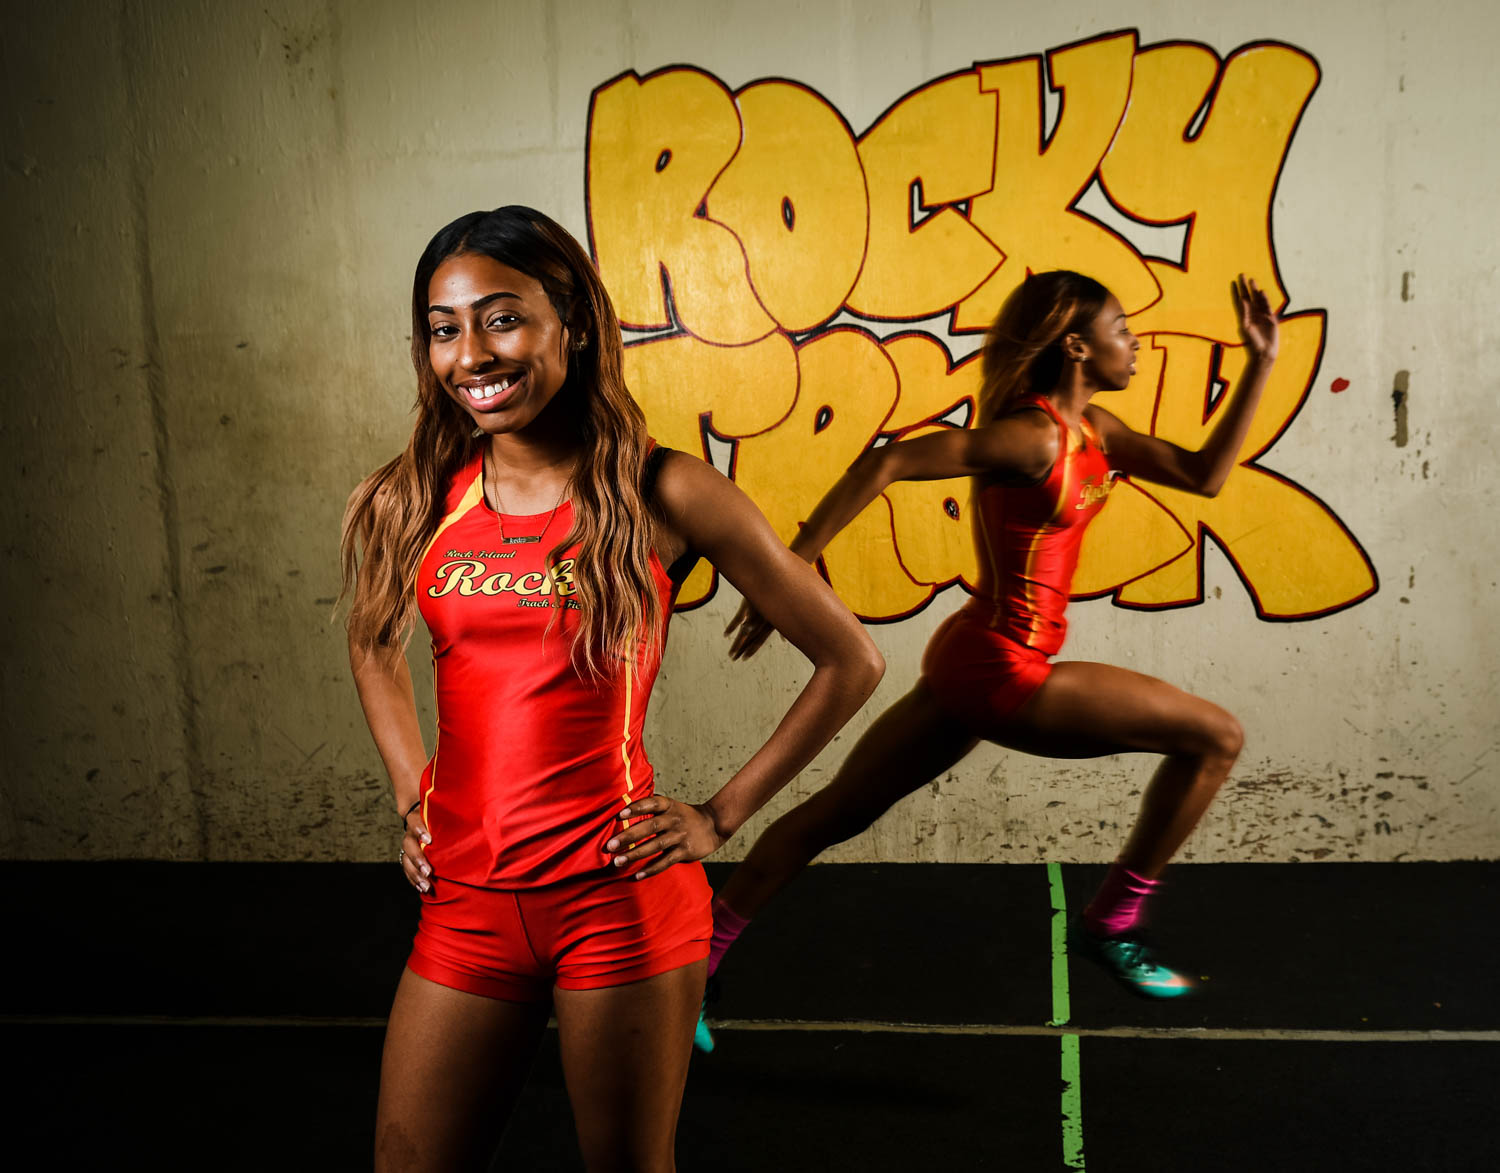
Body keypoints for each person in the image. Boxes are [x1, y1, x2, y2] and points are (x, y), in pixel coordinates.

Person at [339, 205, 883, 1172]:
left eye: (502, 317)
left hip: (619, 900)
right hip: (464, 901)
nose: (472, 353)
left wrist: (720, 816)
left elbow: (852, 660)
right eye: (443, 327)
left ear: (574, 324)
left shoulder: (662, 489)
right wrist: (408, 783)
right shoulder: (415, 493)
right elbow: (372, 641)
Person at [705, 271, 1279, 1018]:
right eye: (1122, 328)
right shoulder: (1033, 435)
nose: (1135, 343)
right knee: (1216, 736)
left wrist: (1260, 360)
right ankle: (1111, 922)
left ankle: (693, 964)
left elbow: (1205, 476)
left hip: (969, 658)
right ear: (1077, 345)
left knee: (834, 814)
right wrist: (792, 567)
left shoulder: (1096, 432)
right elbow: (887, 462)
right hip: (1003, 667)